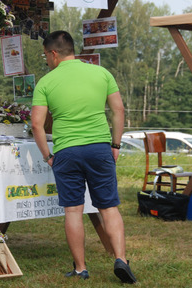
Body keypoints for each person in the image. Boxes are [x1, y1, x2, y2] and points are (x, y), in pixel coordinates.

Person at [31, 31, 136, 284]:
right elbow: (118, 110)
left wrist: (47, 156)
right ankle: (120, 258)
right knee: (109, 207)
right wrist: (116, 144)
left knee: (73, 211)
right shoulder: (101, 73)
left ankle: (80, 268)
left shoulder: (46, 82)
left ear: (54, 53)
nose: (46, 60)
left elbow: (36, 125)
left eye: (46, 55)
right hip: (100, 147)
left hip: (67, 151)